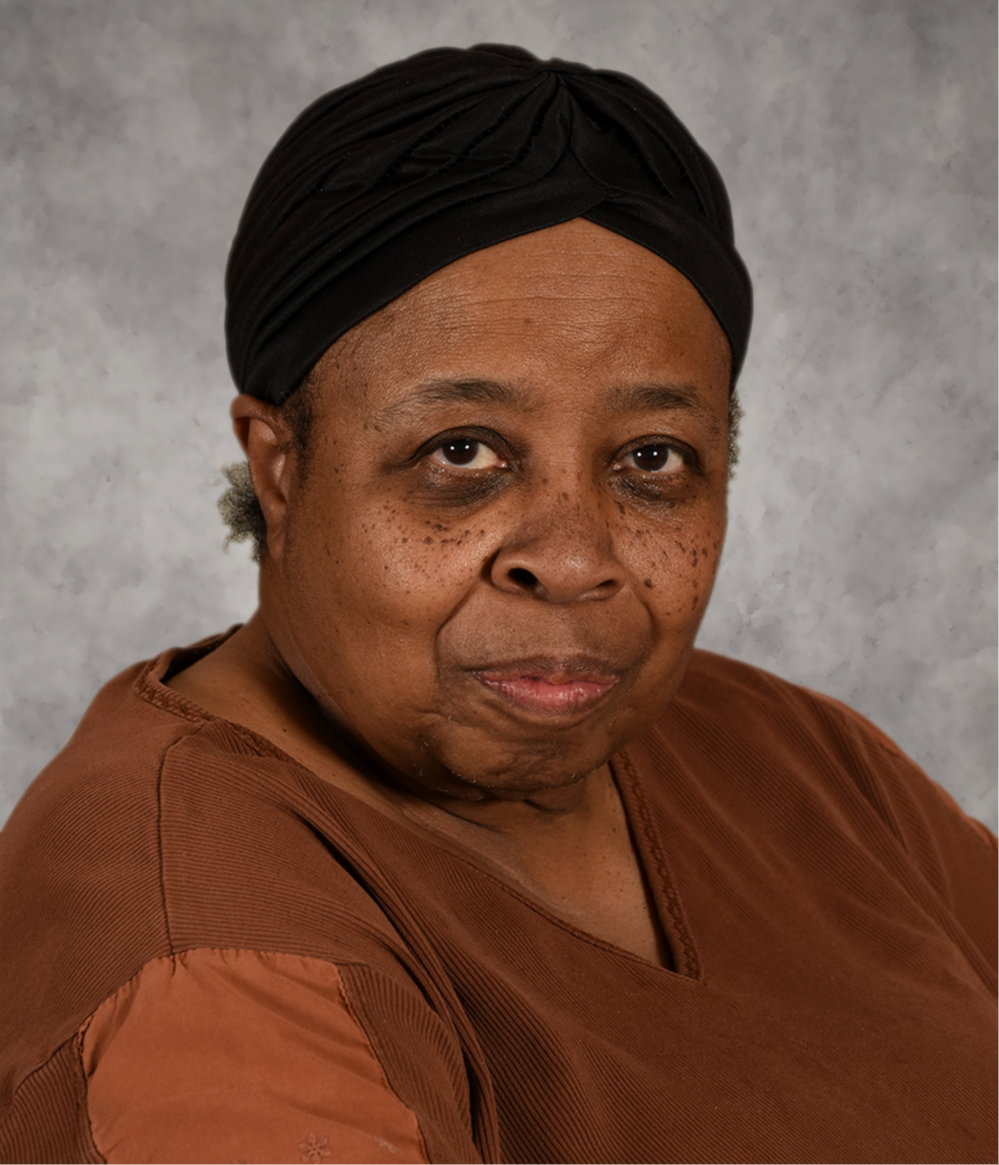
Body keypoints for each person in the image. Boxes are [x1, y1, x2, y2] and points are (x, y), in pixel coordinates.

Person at [1, 44, 995, 1165]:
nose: (572, 559)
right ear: (281, 466)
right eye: (462, 451)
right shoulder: (208, 958)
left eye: (652, 458)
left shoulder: (791, 753)